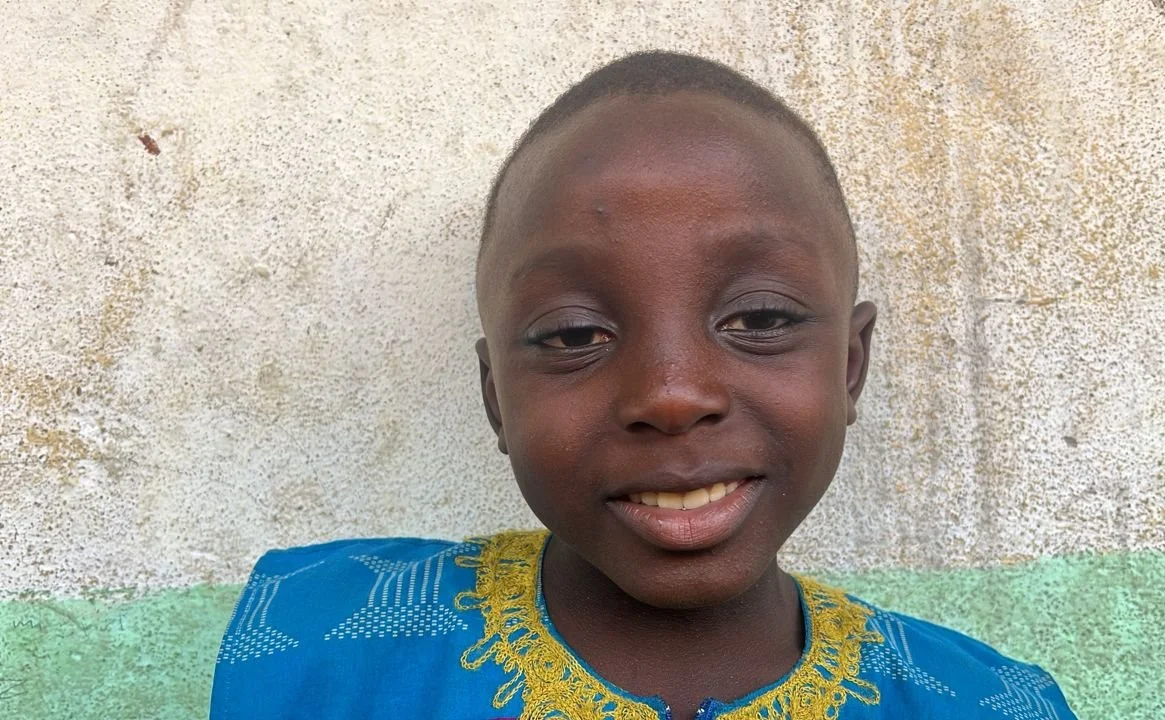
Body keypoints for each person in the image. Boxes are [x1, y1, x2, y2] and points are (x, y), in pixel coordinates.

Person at [211, 51, 1076, 720]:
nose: (671, 395)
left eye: (761, 318)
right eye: (574, 335)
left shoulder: (985, 703)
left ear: (851, 365)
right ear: (495, 396)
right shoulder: (318, 648)